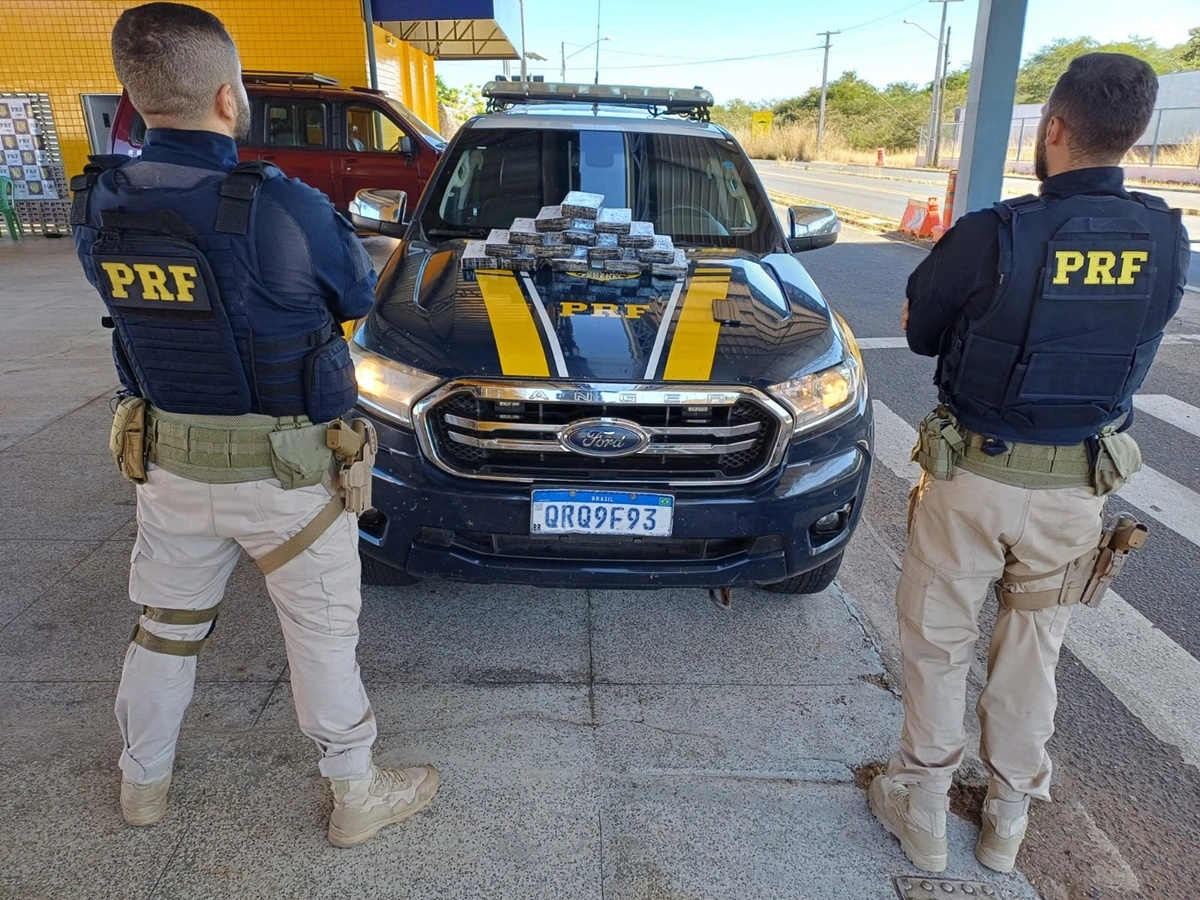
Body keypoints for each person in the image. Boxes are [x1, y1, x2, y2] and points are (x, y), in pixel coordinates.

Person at [70, 2, 439, 848]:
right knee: (319, 639)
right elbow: (355, 297)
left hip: (169, 467)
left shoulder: (96, 204)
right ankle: (355, 795)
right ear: (229, 98)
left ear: (132, 96)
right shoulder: (286, 209)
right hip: (290, 479)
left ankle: (142, 787)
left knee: (165, 634)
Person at [869, 53, 1190, 875]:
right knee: (1032, 651)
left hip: (973, 478)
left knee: (939, 644)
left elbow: (919, 332)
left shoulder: (990, 233)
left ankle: (926, 810)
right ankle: (1008, 821)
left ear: (1052, 128)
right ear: (1137, 132)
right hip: (1076, 488)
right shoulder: (1163, 233)